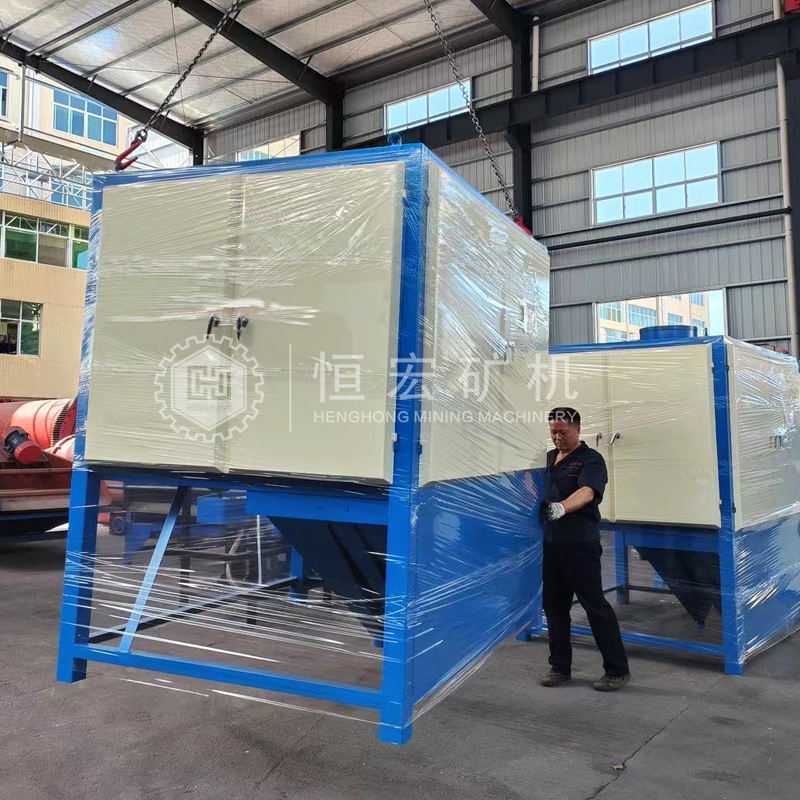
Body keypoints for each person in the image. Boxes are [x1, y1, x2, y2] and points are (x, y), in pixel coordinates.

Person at [539, 407, 630, 691]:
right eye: (553, 432)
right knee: (554, 607)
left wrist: (561, 508)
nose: (557, 437)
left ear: (577, 430)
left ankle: (616, 670)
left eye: (563, 432)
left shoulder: (590, 459)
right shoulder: (548, 459)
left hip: (579, 544)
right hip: (550, 545)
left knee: (594, 606)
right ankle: (559, 668)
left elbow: (587, 491)